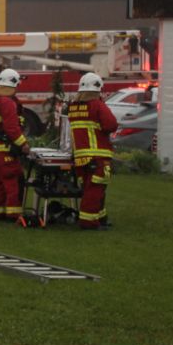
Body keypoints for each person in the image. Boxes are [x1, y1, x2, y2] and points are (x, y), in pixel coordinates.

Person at [67, 72, 117, 229]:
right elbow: (111, 125)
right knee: (95, 189)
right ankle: (88, 222)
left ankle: (101, 218)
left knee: (91, 188)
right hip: (97, 155)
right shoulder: (97, 105)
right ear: (98, 89)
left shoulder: (73, 107)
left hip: (80, 157)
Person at [0, 68, 30, 221]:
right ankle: (13, 213)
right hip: (5, 150)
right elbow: (11, 128)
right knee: (13, 180)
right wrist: (24, 144)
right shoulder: (7, 102)